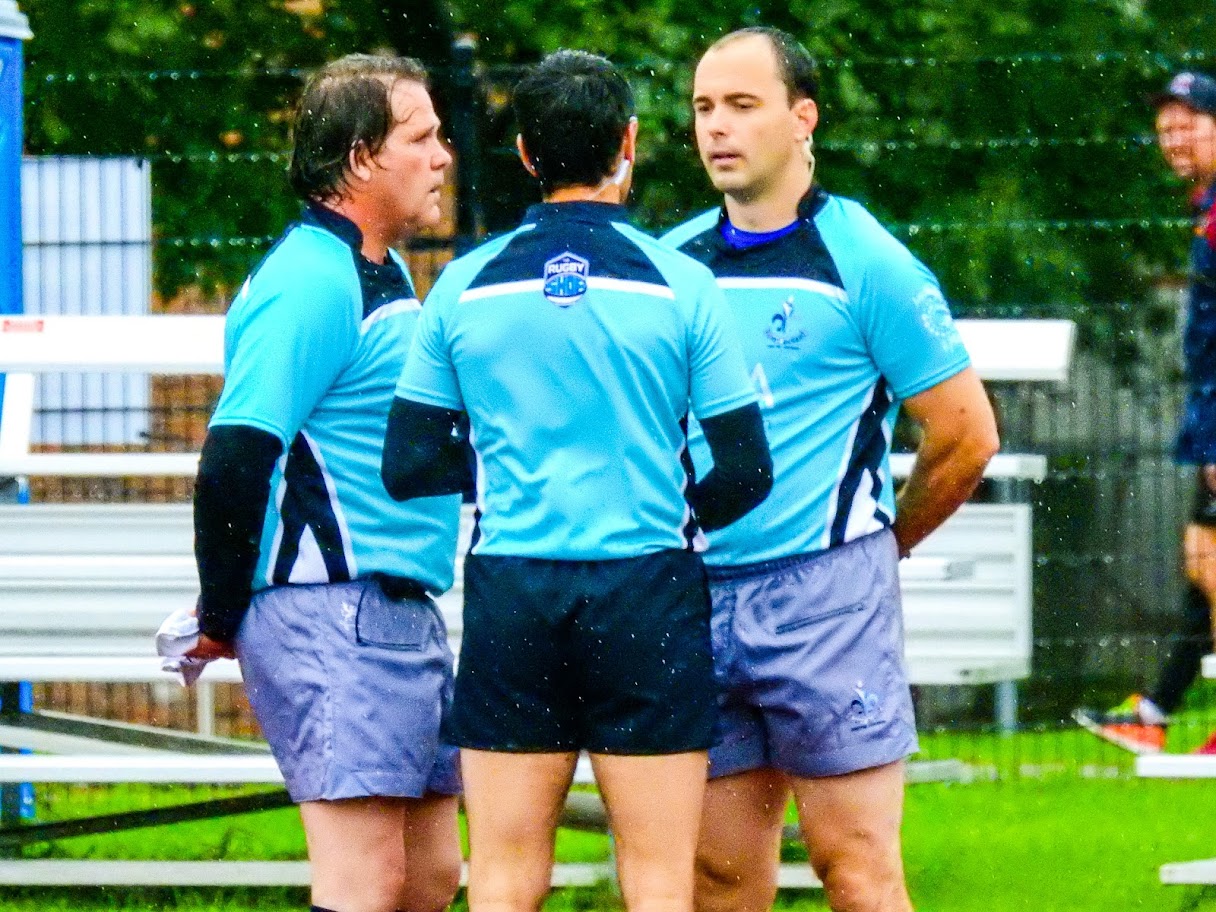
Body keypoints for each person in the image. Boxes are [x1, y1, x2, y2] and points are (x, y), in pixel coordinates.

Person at [381, 49, 773, 912]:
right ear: (629, 143)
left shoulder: (460, 287)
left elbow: (406, 462)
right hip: (647, 592)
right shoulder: (686, 286)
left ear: (525, 152)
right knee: (659, 877)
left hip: (513, 592)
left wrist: (505, 467)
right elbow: (746, 471)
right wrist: (667, 503)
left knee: (508, 876)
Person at [661, 28, 1000, 912]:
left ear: (802, 118)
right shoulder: (671, 266)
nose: (716, 128)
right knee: (717, 877)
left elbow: (966, 435)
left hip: (826, 601)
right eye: (703, 108)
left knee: (854, 871)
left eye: (742, 105)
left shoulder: (868, 261)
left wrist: (881, 551)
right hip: (693, 596)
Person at [186, 54, 463, 912]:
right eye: (421, 137)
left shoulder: (378, 272)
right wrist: (221, 614)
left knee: (428, 879)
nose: (444, 155)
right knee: (366, 882)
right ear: (358, 160)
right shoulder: (311, 277)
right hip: (331, 610)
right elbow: (235, 455)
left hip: (395, 611)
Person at [1075, 71, 1216, 756]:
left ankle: (1158, 708)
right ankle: (1157, 708)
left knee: (1208, 559)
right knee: (1204, 564)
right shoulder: (1207, 207)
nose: (1175, 140)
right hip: (1208, 405)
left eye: (1190, 125)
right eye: (1166, 130)